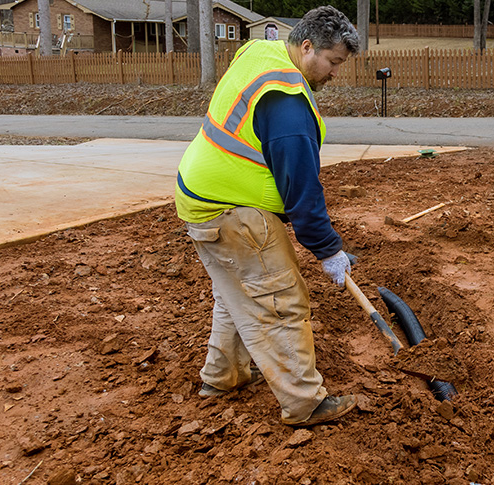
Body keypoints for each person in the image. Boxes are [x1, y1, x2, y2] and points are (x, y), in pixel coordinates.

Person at [174, 6, 359, 427]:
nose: (334, 73)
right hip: (232, 212)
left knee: (236, 292)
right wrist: (328, 250)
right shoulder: (288, 106)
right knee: (280, 300)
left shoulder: (261, 51)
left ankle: (222, 377)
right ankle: (304, 403)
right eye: (333, 62)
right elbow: (302, 191)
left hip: (199, 198)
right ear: (307, 47)